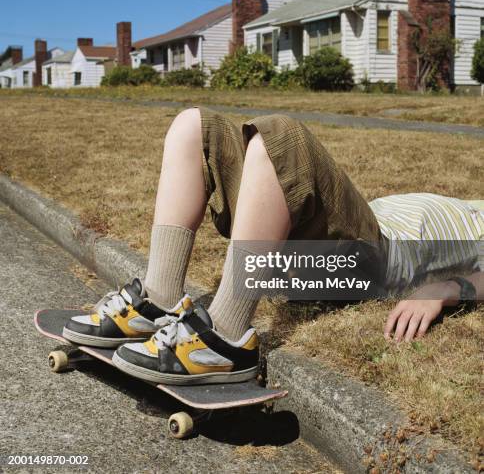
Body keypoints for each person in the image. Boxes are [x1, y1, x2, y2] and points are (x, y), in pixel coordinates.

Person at [62, 108, 484, 385]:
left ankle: (225, 339)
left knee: (283, 137)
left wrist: (443, 291)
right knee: (195, 126)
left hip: (372, 259)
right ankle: (157, 299)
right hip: (320, 245)